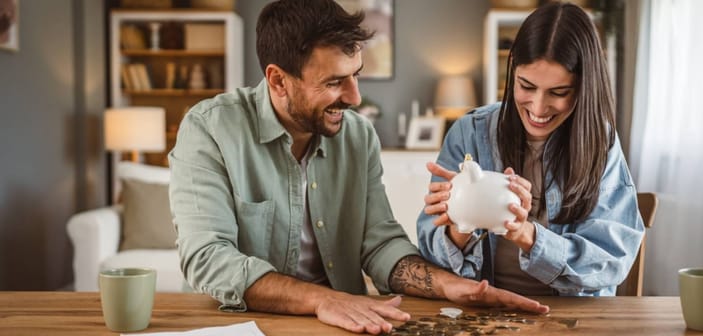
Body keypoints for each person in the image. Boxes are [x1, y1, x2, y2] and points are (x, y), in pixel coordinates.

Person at [169, 0, 549, 334]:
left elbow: (379, 243)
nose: (354, 97)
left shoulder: (357, 136)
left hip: (350, 323)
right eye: (335, 82)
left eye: (356, 74)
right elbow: (207, 259)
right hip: (240, 324)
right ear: (278, 80)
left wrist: (448, 284)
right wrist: (323, 300)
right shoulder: (209, 130)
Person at [418, 2, 645, 297]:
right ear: (512, 71)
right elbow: (430, 255)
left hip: (574, 317)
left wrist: (526, 234)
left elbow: (611, 260)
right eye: (526, 86)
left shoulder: (600, 143)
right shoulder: (469, 132)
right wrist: (460, 222)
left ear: (584, 88)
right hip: (486, 308)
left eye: (559, 92)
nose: (538, 108)